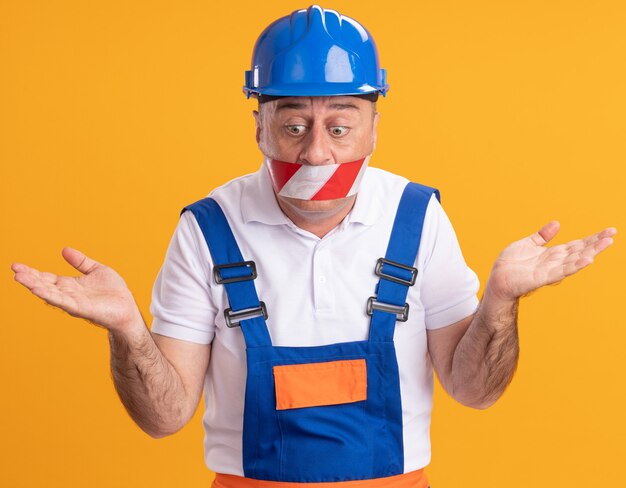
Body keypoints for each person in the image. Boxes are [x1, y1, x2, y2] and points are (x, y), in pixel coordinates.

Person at [11, 5, 616, 488]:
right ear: (258, 127)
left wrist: (502, 303)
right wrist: (127, 330)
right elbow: (164, 418)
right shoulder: (208, 227)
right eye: (293, 126)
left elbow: (475, 392)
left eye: (341, 126)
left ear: (375, 127)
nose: (317, 153)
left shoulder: (418, 217)